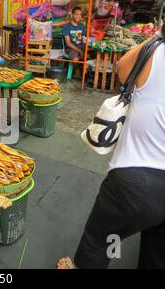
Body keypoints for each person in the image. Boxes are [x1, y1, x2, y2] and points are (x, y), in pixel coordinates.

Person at [57, 28, 165, 269]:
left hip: (135, 180)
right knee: (157, 256)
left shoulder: (156, 53)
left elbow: (123, 68)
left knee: (98, 240)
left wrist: (159, 35)